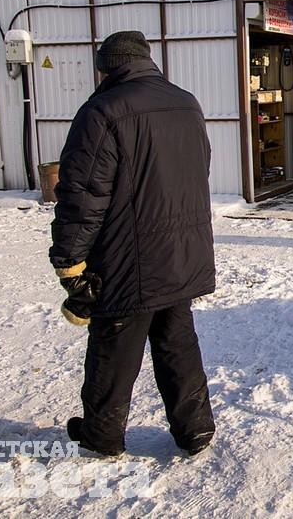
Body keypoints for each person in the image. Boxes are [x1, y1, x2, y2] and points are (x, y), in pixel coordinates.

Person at [50, 30, 216, 457]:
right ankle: (195, 429)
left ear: (106, 67)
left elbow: (83, 195)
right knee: (176, 340)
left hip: (129, 258)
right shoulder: (186, 103)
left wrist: (70, 260)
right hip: (182, 251)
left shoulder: (103, 111)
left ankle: (101, 436)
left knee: (114, 347)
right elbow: (200, 169)